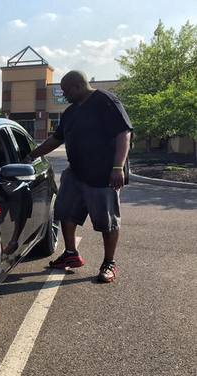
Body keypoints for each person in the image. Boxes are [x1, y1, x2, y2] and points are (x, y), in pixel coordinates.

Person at [25, 70, 132, 283]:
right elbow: (55, 140)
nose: (64, 96)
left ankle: (109, 263)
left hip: (104, 175)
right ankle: (71, 254)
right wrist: (30, 155)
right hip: (76, 173)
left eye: (66, 91)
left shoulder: (106, 101)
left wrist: (118, 167)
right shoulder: (71, 112)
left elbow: (124, 133)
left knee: (107, 221)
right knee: (65, 212)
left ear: (77, 86)